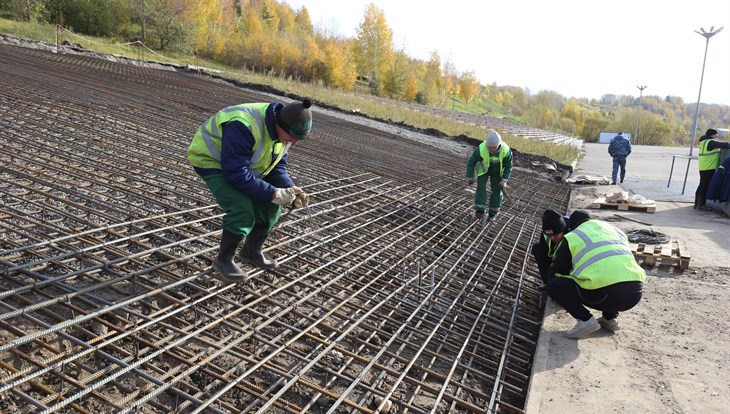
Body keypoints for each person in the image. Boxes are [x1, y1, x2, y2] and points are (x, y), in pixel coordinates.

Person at [187, 99, 313, 282]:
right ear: (279, 123)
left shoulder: (284, 131)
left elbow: (277, 168)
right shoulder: (243, 125)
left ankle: (251, 252)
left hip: (241, 167)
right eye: (292, 136)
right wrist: (274, 193)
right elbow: (236, 174)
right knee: (242, 209)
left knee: (272, 208)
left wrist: (289, 188)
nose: (293, 142)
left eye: (298, 138)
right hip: (213, 162)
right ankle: (223, 260)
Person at [546, 210, 646, 339]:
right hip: (635, 294)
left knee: (553, 285)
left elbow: (559, 270)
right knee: (611, 274)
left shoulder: (573, 236)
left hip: (604, 297)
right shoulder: (615, 230)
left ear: (571, 226)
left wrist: (551, 283)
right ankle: (610, 319)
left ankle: (586, 320)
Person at [466, 130, 513, 220]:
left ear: (499, 145)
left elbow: (508, 166)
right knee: (481, 188)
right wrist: (469, 176)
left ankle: (493, 213)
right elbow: (471, 161)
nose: (492, 149)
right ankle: (479, 211)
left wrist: (504, 180)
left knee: (497, 191)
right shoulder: (482, 148)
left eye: (494, 147)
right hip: (483, 170)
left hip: (497, 172)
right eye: (490, 147)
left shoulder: (506, 150)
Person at [695, 128, 730, 211]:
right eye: (716, 134)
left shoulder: (704, 141)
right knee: (705, 186)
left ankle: (697, 203)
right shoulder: (710, 142)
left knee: (702, 185)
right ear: (711, 135)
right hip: (708, 167)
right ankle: (701, 205)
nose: (717, 136)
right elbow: (724, 145)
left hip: (704, 167)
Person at [532, 209, 569, 286]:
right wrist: (548, 282)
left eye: (555, 235)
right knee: (537, 248)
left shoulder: (571, 234)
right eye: (549, 235)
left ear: (562, 230)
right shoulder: (545, 235)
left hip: (569, 266)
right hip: (555, 261)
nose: (552, 238)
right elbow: (543, 258)